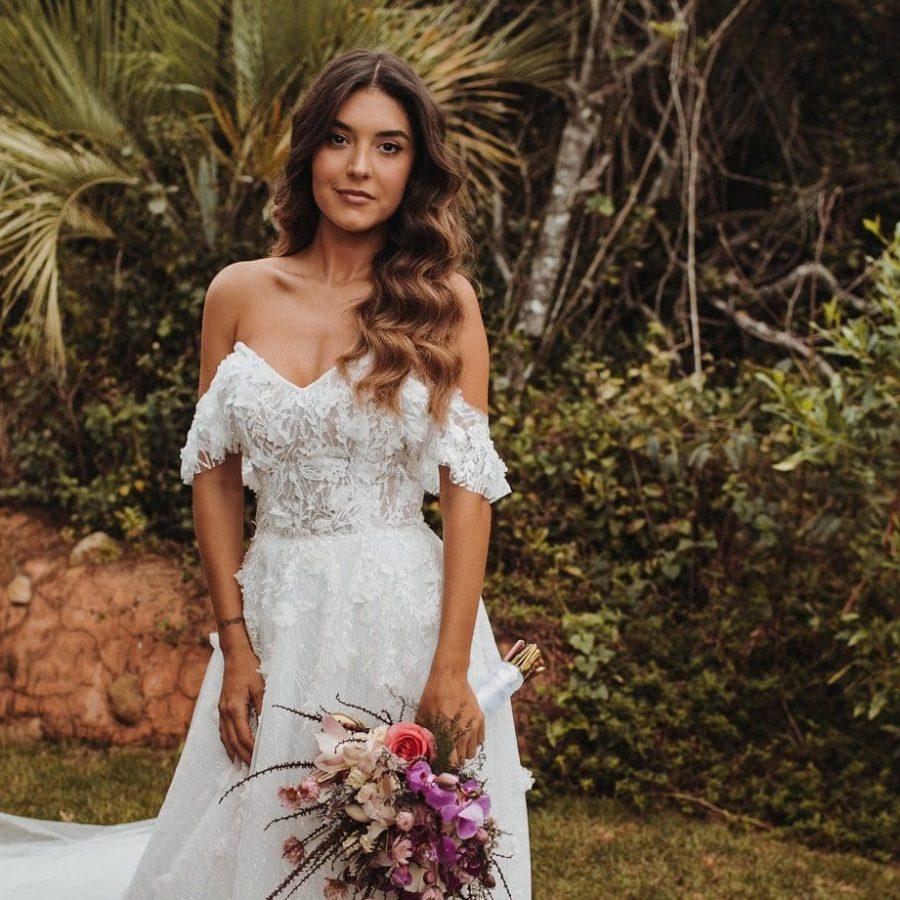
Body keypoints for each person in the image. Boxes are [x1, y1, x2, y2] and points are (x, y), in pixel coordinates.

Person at [0, 48, 533, 899]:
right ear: (307, 154)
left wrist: (449, 671)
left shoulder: (445, 302)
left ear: (416, 168)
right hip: (280, 611)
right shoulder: (238, 293)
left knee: (402, 858)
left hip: (405, 610)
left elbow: (467, 495)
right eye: (339, 139)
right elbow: (214, 473)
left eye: (389, 146)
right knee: (253, 831)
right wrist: (234, 639)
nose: (360, 167)